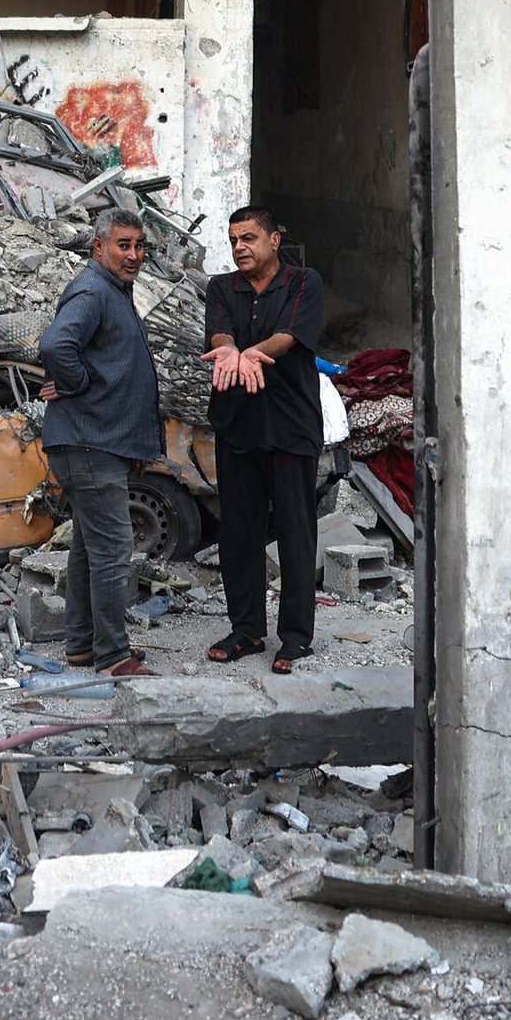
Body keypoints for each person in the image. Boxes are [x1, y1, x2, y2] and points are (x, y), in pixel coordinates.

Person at [37, 207, 165, 679]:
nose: (134, 255)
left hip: (101, 441)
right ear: (98, 247)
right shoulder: (93, 291)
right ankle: (113, 656)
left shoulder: (114, 292)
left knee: (90, 547)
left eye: (139, 246)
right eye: (123, 245)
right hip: (87, 441)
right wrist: (77, 384)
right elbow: (56, 345)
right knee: (112, 547)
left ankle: (82, 645)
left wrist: (132, 445)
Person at [200, 205, 325, 675]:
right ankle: (247, 630)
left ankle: (295, 637)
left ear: (275, 240)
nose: (240, 247)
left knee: (295, 534)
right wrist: (230, 350)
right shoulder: (221, 287)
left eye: (249, 238)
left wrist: (252, 353)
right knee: (238, 533)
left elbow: (288, 336)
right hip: (238, 426)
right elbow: (219, 333)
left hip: (291, 426)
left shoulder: (302, 282)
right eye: (234, 239)